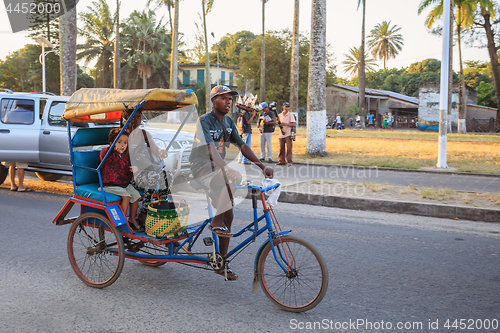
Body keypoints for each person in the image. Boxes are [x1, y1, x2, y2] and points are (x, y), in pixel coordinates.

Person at [189, 85, 273, 280]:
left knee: (230, 217)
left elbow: (242, 145)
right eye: (224, 98)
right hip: (201, 167)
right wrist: (225, 168)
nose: (228, 102)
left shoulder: (227, 121)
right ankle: (215, 221)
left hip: (218, 169)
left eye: (230, 99)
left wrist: (262, 166)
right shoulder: (204, 121)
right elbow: (210, 148)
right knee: (229, 178)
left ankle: (221, 262)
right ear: (213, 101)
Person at [123, 109, 172, 226]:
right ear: (125, 119)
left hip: (145, 171)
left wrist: (161, 153)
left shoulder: (144, 134)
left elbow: (156, 150)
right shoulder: (122, 135)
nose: (136, 121)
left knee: (167, 175)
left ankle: (161, 208)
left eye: (138, 117)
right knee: (153, 176)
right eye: (132, 118)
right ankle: (143, 213)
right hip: (129, 175)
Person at [100, 128, 142, 232]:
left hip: (123, 183)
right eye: (119, 142)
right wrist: (111, 149)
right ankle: (122, 222)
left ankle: (132, 219)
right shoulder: (107, 153)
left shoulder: (124, 158)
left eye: (125, 143)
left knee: (136, 195)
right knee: (126, 197)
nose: (122, 145)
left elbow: (127, 172)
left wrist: (133, 170)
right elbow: (103, 158)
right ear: (112, 143)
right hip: (110, 184)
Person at [276, 102, 296, 166]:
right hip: (282, 134)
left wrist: (286, 124)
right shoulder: (279, 115)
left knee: (289, 148)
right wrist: (278, 124)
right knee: (281, 148)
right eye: (285, 107)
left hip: (288, 133)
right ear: (283, 107)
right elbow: (278, 123)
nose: (286, 108)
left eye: (288, 107)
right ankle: (281, 161)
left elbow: (293, 124)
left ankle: (289, 161)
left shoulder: (290, 115)